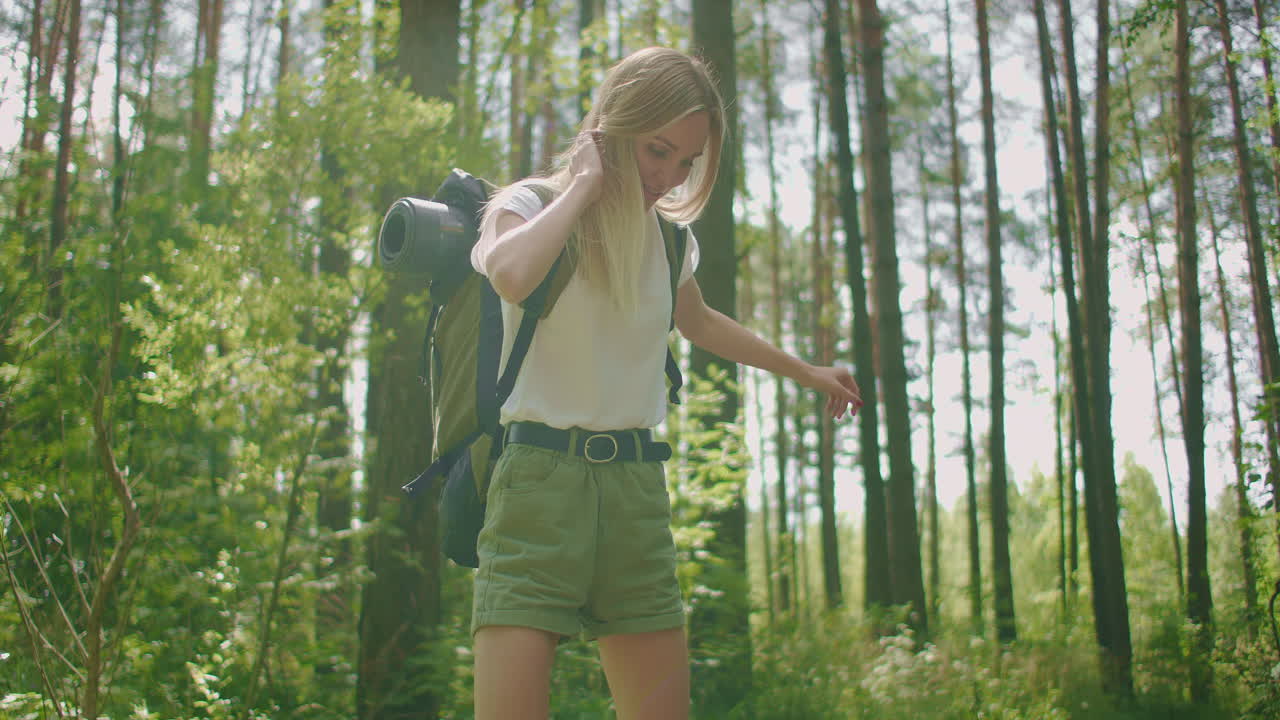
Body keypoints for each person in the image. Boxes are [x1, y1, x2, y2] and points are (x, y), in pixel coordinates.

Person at [469, 46, 862, 720]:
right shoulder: (531, 206)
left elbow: (702, 321)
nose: (670, 177)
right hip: (537, 484)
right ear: (612, 127)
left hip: (636, 491)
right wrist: (585, 187)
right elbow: (510, 274)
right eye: (658, 151)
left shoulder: (671, 242)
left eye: (686, 162)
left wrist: (806, 370)